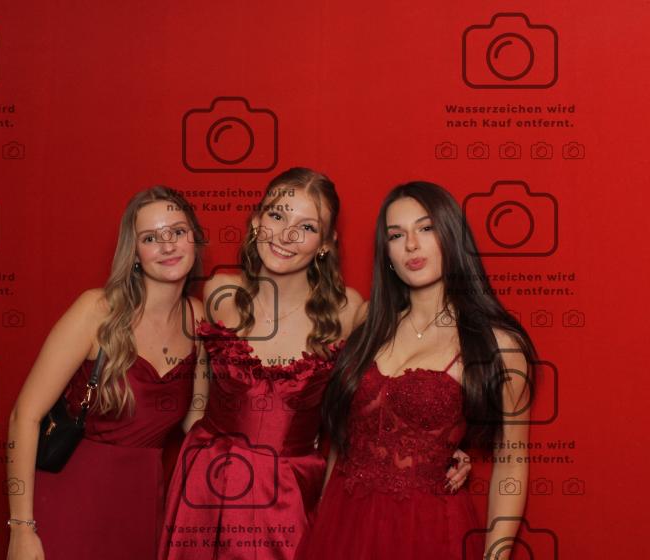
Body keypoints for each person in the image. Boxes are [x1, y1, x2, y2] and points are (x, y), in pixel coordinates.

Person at [160, 169, 472, 560]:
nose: (286, 235)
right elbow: (195, 400)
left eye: (306, 227)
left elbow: (390, 384)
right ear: (256, 221)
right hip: (204, 491)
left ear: (325, 243)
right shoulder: (218, 292)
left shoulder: (350, 312)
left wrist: (442, 448)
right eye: (277, 216)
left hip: (287, 497)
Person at [297, 181, 538, 560]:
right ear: (387, 253)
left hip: (427, 530)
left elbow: (512, 462)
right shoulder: (368, 321)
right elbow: (342, 439)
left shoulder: (497, 344)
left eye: (426, 228)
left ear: (452, 237)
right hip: (342, 525)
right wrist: (322, 519)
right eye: (396, 235)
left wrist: (496, 556)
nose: (411, 244)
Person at [6, 186, 210, 560]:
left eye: (177, 232)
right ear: (135, 253)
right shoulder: (96, 311)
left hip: (142, 508)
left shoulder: (197, 318)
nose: (167, 245)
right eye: (151, 238)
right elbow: (25, 416)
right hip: (70, 500)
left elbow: (197, 422)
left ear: (194, 238)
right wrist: (21, 528)